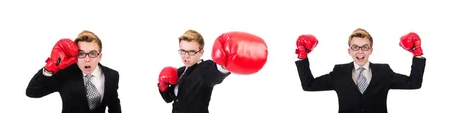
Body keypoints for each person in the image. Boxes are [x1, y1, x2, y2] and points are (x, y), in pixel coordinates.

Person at [294, 28, 426, 113]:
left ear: (371, 50)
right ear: (349, 51)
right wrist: (302, 56)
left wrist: (417, 54)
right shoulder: (339, 72)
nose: (360, 51)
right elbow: (309, 85)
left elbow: (414, 83)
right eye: (355, 47)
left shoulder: (384, 72)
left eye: (365, 47)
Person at [158, 30, 268, 113]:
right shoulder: (180, 71)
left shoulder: (205, 68)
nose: (186, 56)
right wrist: (162, 87)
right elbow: (169, 99)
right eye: (183, 51)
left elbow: (216, 72)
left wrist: (225, 65)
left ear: (201, 52)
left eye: (191, 52)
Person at [26, 30, 121, 113]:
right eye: (81, 54)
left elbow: (114, 105)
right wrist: (50, 67)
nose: (87, 59)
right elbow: (32, 92)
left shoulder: (112, 75)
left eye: (92, 53)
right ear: (75, 56)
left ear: (99, 56)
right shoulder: (64, 73)